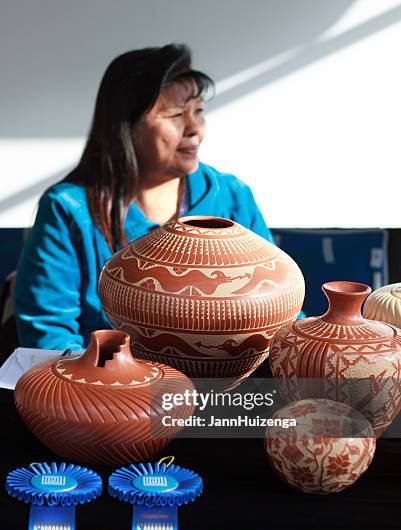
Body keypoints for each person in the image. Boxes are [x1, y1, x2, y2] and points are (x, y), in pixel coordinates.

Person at [15, 44, 276, 351]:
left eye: (198, 111)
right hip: (107, 390)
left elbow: (276, 303)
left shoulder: (231, 196)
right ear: (127, 127)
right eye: (177, 114)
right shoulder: (68, 209)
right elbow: (47, 336)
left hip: (222, 387)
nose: (194, 129)